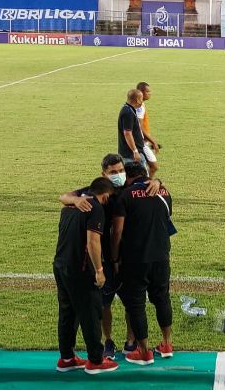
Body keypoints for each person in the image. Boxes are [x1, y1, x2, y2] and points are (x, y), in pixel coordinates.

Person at [59, 154, 163, 359]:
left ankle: (131, 341)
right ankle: (107, 341)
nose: (118, 175)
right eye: (113, 172)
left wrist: (158, 181)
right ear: (104, 174)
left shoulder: (131, 189)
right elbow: (63, 196)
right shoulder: (97, 191)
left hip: (130, 257)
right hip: (106, 259)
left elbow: (153, 178)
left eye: (120, 170)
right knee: (103, 303)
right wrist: (75, 200)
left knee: (132, 302)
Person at [53, 177, 119, 375]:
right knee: (90, 313)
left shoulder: (70, 205)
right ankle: (96, 361)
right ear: (105, 196)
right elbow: (93, 242)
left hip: (61, 265)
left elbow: (63, 197)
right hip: (80, 271)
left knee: (67, 313)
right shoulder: (95, 208)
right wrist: (99, 270)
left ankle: (66, 357)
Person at [112, 162, 175, 367]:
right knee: (162, 298)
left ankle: (144, 351)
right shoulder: (164, 192)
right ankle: (166, 344)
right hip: (161, 256)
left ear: (129, 178)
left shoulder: (126, 195)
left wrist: (114, 258)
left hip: (135, 259)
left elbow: (118, 231)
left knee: (136, 304)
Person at [118, 89, 159, 176]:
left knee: (140, 178)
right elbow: (127, 133)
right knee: (141, 179)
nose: (142, 101)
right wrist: (135, 151)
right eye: (141, 99)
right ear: (137, 100)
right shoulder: (128, 112)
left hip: (134, 152)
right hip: (130, 155)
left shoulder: (129, 109)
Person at [134, 81, 160, 177]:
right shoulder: (139, 107)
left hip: (142, 141)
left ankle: (145, 185)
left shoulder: (140, 105)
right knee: (153, 167)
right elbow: (139, 127)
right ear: (141, 92)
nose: (150, 94)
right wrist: (153, 141)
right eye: (148, 92)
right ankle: (145, 186)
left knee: (148, 168)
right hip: (141, 143)